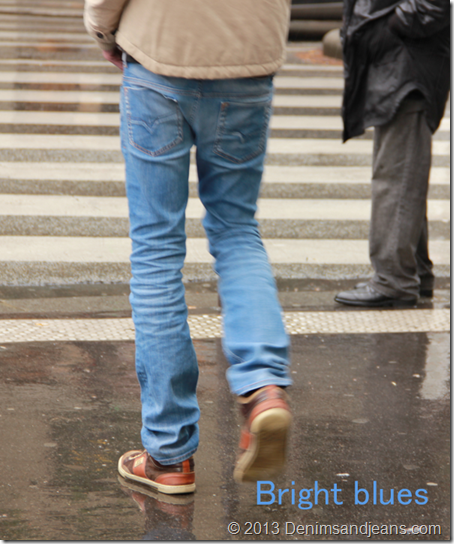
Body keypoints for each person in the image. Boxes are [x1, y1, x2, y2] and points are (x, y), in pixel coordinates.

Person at [84, 0, 292, 494]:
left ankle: (169, 454)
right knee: (237, 230)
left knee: (156, 251)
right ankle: (263, 388)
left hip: (160, 52)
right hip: (248, 53)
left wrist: (103, 30)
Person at [335, 0, 450, 307]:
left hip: (407, 65)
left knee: (395, 178)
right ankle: (414, 271)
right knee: (402, 175)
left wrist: (388, 28)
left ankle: (394, 279)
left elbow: (433, 6)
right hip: (401, 64)